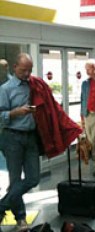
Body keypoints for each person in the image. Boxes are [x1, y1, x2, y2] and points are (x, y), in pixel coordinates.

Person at [0, 53, 82, 232]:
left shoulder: (35, 85)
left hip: (30, 137)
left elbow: (51, 106)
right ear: (15, 67)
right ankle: (20, 218)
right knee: (15, 181)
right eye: (23, 70)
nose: (27, 74)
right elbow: (1, 116)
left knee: (33, 178)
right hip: (11, 137)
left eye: (29, 70)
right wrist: (16, 112)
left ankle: (1, 206)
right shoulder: (5, 89)